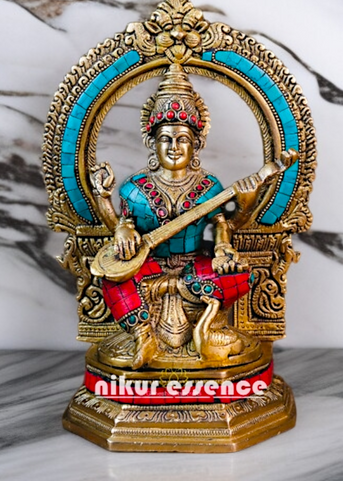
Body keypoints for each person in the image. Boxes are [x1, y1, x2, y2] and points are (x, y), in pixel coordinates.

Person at [90, 63, 295, 369]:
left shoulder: (208, 186)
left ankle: (207, 325)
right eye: (166, 139)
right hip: (148, 267)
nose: (174, 147)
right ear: (152, 143)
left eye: (182, 139)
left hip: (194, 269)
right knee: (110, 279)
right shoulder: (134, 188)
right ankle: (143, 335)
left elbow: (222, 224)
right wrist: (115, 217)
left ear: (196, 144)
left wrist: (224, 246)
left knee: (242, 275)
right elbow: (123, 224)